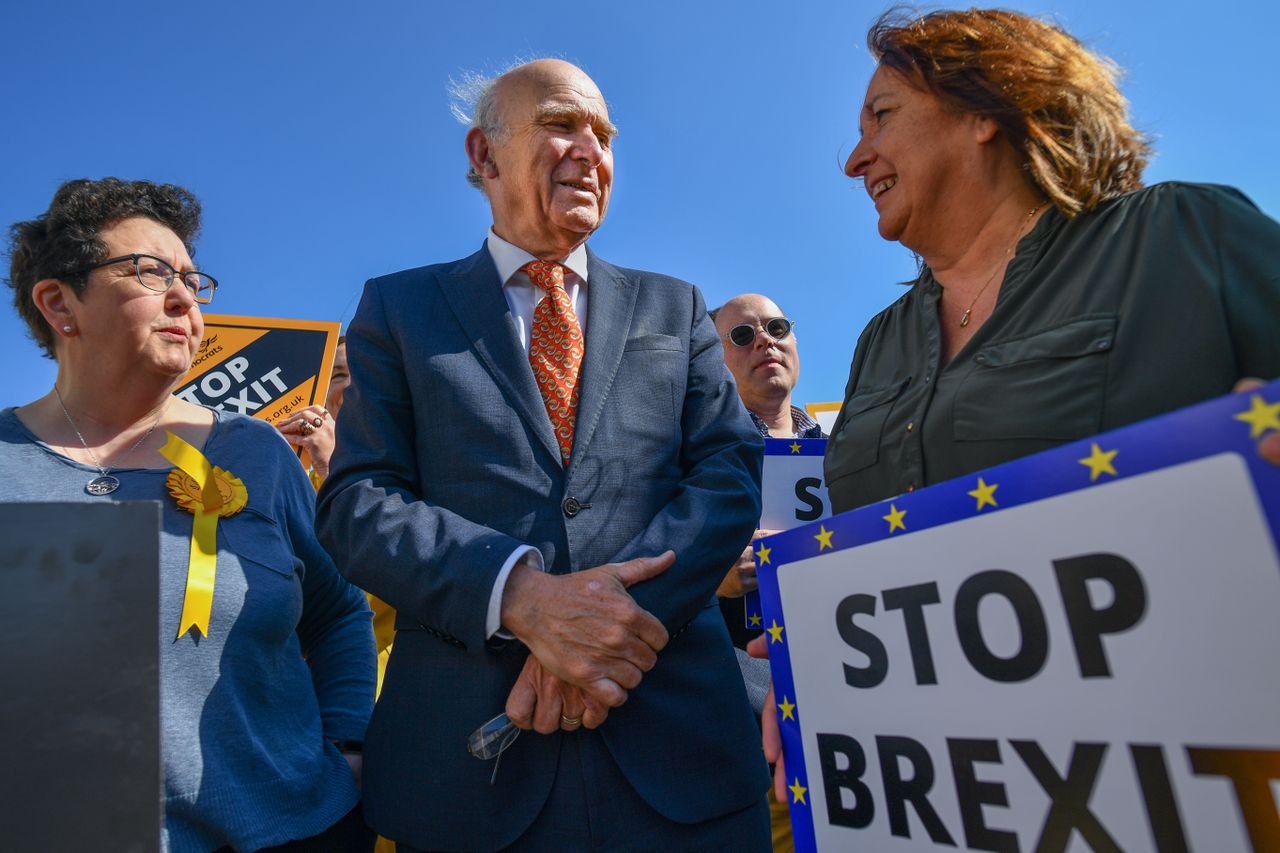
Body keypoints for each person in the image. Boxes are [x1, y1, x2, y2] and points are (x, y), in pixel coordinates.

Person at [756, 6, 1280, 804]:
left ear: (983, 111)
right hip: (935, 794)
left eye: (882, 116)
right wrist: (817, 669)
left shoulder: (1181, 235)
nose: (856, 157)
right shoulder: (877, 344)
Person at [315, 59, 771, 851]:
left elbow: (728, 475)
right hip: (467, 775)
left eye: (605, 134)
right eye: (563, 123)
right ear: (485, 154)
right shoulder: (398, 308)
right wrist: (519, 595)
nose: (590, 148)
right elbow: (358, 502)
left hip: (681, 761)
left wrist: (605, 629)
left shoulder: (677, 306)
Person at [2, 178, 376, 853]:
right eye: (148, 271)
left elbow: (339, 611)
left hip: (295, 832)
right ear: (60, 303)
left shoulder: (256, 454)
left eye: (191, 279)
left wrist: (346, 747)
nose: (182, 295)